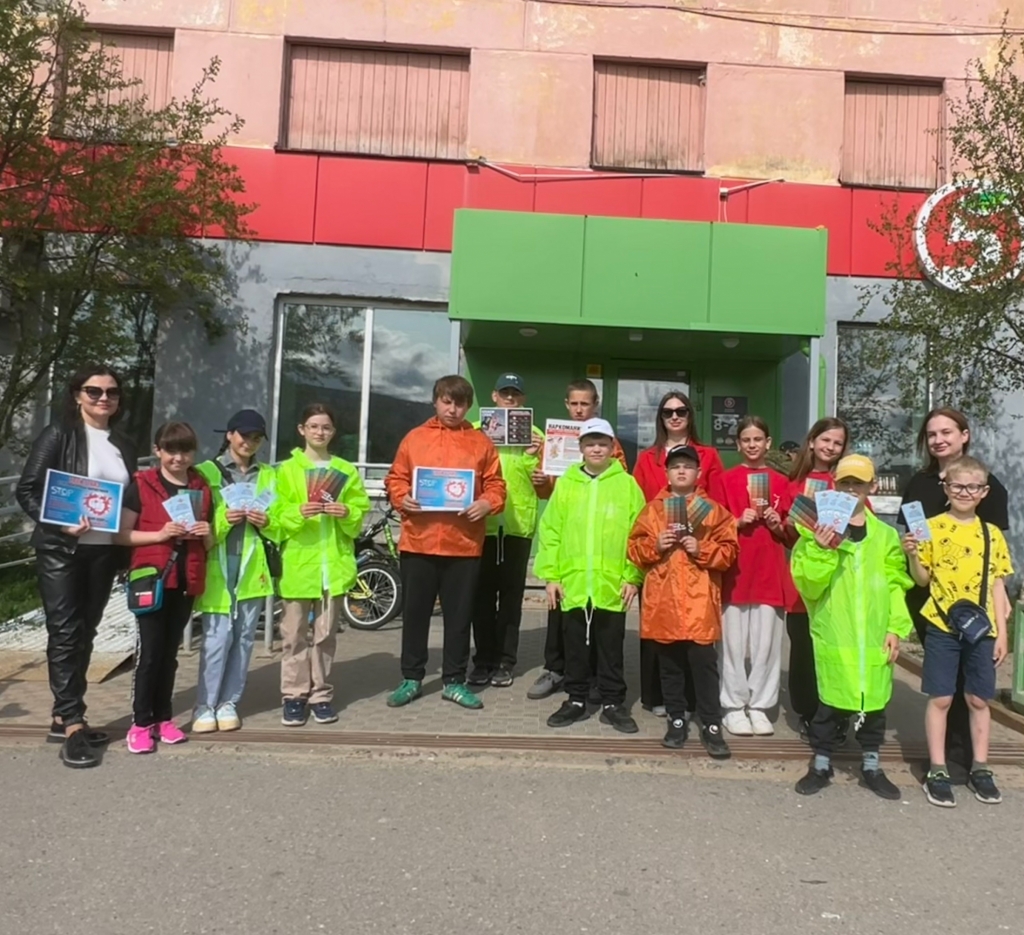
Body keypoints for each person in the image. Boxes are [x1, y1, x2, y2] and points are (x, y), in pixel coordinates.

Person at [16, 365, 138, 769]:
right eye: (94, 391)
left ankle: (62, 715)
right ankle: (73, 724)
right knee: (66, 632)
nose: (104, 398)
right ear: (77, 395)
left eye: (112, 392)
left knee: (86, 631)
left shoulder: (122, 442)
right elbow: (27, 489)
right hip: (61, 549)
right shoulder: (58, 434)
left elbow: (128, 497)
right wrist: (60, 523)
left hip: (103, 551)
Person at [791, 454, 912, 799]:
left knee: (874, 707)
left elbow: (896, 584)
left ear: (872, 487)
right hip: (835, 633)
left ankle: (871, 765)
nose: (850, 489)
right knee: (828, 707)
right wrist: (821, 550)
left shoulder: (885, 536)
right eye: (845, 482)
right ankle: (821, 764)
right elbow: (808, 584)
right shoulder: (815, 532)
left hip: (874, 637)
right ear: (834, 485)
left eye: (858, 483)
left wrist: (895, 627)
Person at [899, 408, 1009, 785]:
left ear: (964, 435)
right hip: (930, 598)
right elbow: (910, 534)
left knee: (973, 685)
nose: (938, 440)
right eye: (931, 434)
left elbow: (995, 560)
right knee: (944, 684)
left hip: (976, 606)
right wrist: (912, 552)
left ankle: (966, 757)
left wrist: (1001, 613)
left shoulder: (986, 483)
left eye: (946, 432)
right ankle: (941, 759)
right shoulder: (920, 483)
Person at [385, 375, 506, 710]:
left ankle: (454, 680)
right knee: (415, 615)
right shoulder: (415, 438)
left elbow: (496, 485)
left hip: (463, 545)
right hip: (418, 542)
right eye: (447, 402)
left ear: (468, 406)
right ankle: (411, 678)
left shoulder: (480, 442)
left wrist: (487, 503)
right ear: (435, 401)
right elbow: (396, 477)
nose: (453, 409)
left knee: (459, 618)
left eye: (460, 404)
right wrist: (401, 497)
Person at [535, 418, 645, 733]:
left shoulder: (627, 485)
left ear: (612, 447)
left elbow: (639, 533)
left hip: (611, 585)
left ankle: (612, 703)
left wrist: (632, 576)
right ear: (581, 447)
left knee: (610, 647)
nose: (597, 449)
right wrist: (552, 576)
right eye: (590, 444)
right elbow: (551, 531)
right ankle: (576, 699)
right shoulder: (567, 484)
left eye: (602, 444)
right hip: (573, 584)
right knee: (575, 647)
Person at [627, 445, 738, 758]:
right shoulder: (653, 510)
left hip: (700, 601)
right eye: (675, 466)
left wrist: (701, 548)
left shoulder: (713, 510)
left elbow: (729, 552)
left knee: (704, 665)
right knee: (670, 666)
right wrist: (655, 545)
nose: (681, 471)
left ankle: (711, 723)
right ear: (666, 473)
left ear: (698, 473)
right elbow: (634, 549)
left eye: (687, 467)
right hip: (663, 601)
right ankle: (676, 719)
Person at [117, 422, 212, 755]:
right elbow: (121, 535)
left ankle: (163, 718)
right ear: (157, 451)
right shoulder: (141, 485)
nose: (178, 458)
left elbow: (210, 541)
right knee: (149, 655)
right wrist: (160, 534)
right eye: (171, 450)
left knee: (169, 655)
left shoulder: (201, 485)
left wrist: (206, 533)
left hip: (186, 580)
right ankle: (141, 723)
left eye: (185, 450)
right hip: (152, 578)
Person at [527, 378, 625, 701]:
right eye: (575, 404)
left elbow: (618, 479)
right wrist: (540, 481)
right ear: (567, 405)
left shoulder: (609, 442)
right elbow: (546, 492)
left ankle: (593, 675)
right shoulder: (553, 439)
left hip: (597, 539)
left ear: (595, 404)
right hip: (568, 534)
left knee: (594, 615)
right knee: (559, 610)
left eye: (586, 403)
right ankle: (555, 669)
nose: (580, 409)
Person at [631, 390, 725, 719]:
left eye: (681, 411)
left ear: (689, 415)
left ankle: (695, 702)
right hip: (660, 553)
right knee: (659, 630)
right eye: (668, 411)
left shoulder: (708, 455)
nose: (674, 416)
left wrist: (701, 539)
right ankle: (659, 697)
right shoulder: (648, 458)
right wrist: (655, 538)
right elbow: (640, 505)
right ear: (660, 417)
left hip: (696, 555)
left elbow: (717, 502)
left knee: (697, 635)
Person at [276, 404, 370, 727]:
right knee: (293, 635)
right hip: (299, 564)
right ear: (301, 429)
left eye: (326, 427)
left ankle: (320, 695)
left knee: (325, 635)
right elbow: (274, 517)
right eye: (314, 426)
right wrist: (296, 512)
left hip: (334, 566)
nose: (320, 432)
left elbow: (359, 511)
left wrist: (348, 513)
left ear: (333, 432)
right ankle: (293, 695)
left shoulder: (345, 469)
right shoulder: (286, 470)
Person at [193, 410, 281, 732]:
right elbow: (194, 521)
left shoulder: (270, 475)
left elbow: (282, 523)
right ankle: (204, 706)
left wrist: (267, 522)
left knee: (244, 637)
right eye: (244, 435)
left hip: (252, 567)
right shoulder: (204, 472)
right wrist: (223, 520)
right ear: (229, 435)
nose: (250, 442)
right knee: (216, 637)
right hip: (217, 563)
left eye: (257, 438)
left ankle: (229, 702)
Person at [469, 373, 547, 689]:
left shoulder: (536, 436)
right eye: (505, 393)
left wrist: (531, 458)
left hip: (517, 526)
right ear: (494, 396)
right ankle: (482, 660)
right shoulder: (475, 430)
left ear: (523, 399)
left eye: (515, 394)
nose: (510, 398)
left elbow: (542, 481)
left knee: (512, 599)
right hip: (483, 525)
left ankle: (505, 662)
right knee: (482, 597)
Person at [718, 416, 790, 737]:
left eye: (757, 439)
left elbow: (791, 533)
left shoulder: (781, 482)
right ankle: (733, 705)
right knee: (732, 645)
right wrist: (735, 521)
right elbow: (712, 525)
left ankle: (760, 705)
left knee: (767, 645)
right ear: (737, 444)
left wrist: (777, 524)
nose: (752, 445)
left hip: (769, 572)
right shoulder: (725, 480)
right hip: (734, 572)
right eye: (746, 440)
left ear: (768, 443)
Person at [783, 417, 849, 737]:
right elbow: (786, 535)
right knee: (804, 652)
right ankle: (808, 712)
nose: (830, 447)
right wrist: (783, 523)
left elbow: (862, 525)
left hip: (839, 584)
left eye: (837, 443)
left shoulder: (847, 483)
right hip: (804, 583)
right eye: (826, 440)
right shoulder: (794, 483)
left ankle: (838, 713)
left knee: (837, 653)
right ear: (811, 442)